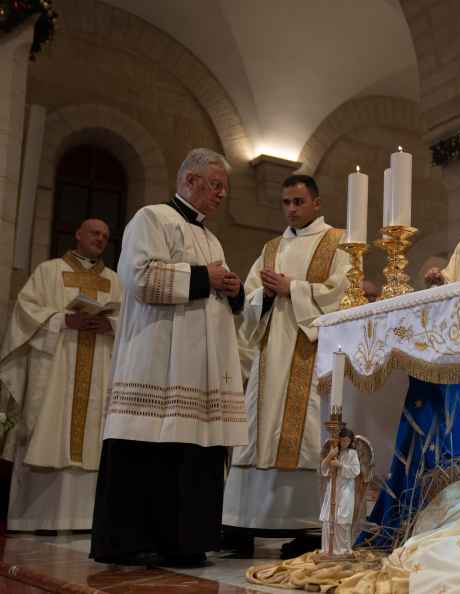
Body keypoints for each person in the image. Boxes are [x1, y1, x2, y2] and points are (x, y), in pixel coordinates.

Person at [90, 148, 247, 567]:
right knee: (150, 451)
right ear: (188, 180)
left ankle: (184, 542)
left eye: (224, 188)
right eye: (215, 185)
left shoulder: (211, 237)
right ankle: (131, 541)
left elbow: (216, 286)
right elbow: (139, 278)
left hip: (199, 367)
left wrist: (232, 289)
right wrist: (204, 276)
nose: (220, 195)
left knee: (194, 454)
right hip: (157, 360)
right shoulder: (151, 218)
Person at [222, 174, 349, 558]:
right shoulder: (271, 246)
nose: (291, 209)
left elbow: (342, 292)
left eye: (298, 201)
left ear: (317, 203)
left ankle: (305, 527)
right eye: (286, 203)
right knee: (256, 431)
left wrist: (292, 288)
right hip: (269, 349)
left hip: (307, 351)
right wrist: (261, 294)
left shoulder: (338, 242)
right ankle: (241, 522)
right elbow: (251, 295)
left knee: (305, 433)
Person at [0, 219, 120, 531]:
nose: (100, 239)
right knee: (48, 427)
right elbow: (25, 313)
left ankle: (87, 519)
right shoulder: (48, 271)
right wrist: (63, 321)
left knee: (94, 435)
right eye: (94, 233)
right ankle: (33, 519)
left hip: (99, 369)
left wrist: (110, 325)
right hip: (56, 368)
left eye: (105, 236)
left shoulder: (114, 281)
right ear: (77, 234)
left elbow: (128, 321)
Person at [319, 427, 361, 557]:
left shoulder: (352, 454)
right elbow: (323, 470)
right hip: (333, 488)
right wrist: (330, 456)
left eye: (347, 441)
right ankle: (328, 549)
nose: (344, 443)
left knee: (342, 521)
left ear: (350, 441)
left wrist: (340, 465)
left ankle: (342, 550)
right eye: (342, 440)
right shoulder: (334, 451)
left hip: (345, 490)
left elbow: (355, 471)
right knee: (328, 520)